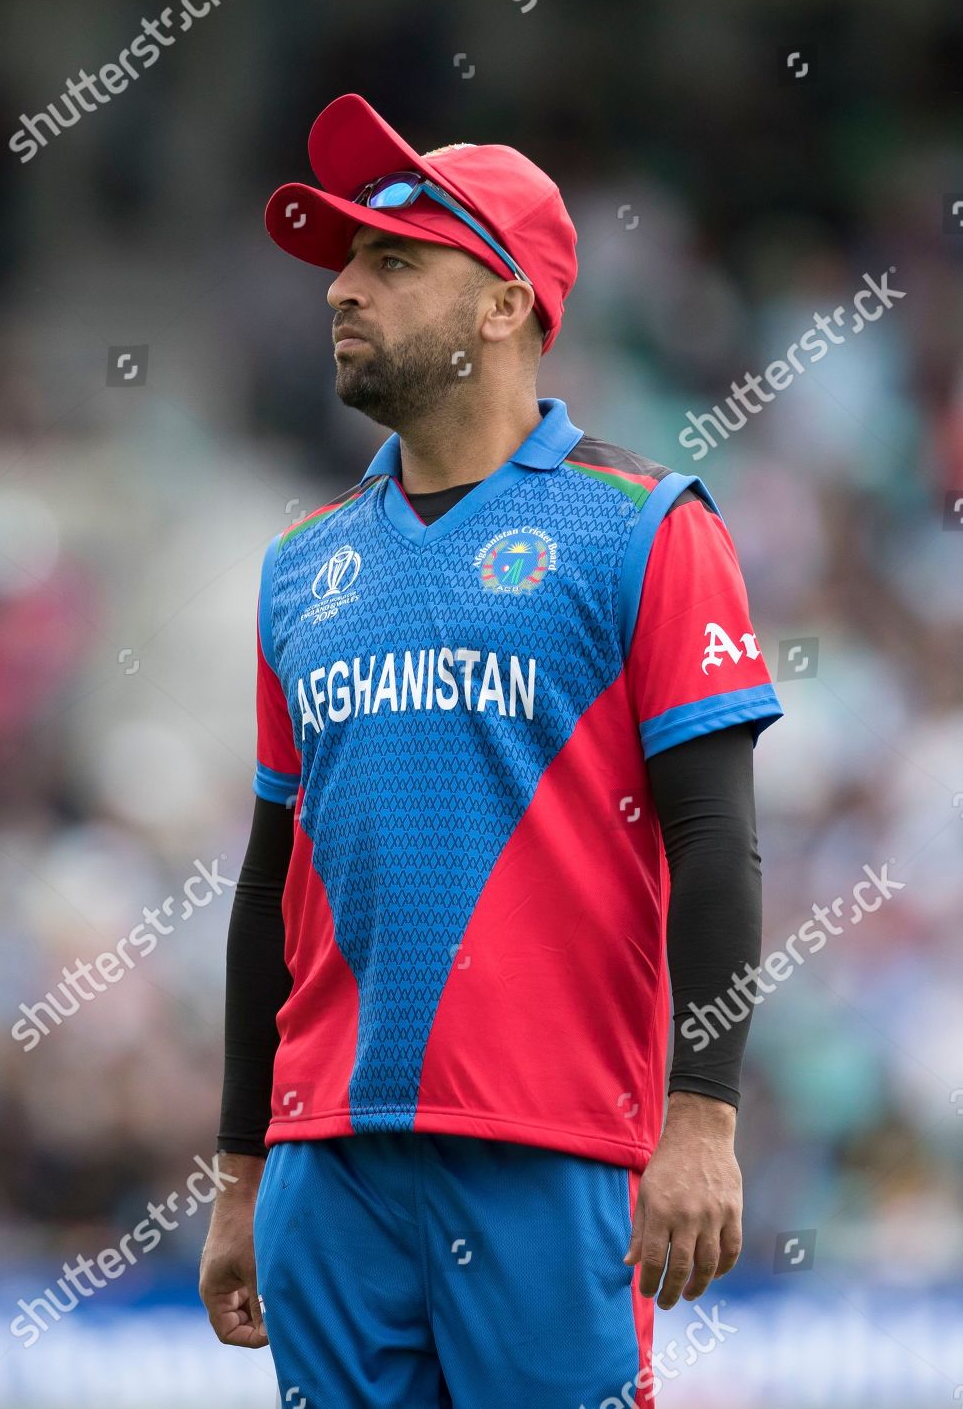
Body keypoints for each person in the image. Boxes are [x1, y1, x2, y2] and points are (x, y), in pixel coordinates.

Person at [198, 92, 783, 1409]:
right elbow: (263, 888)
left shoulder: (643, 527)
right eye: (344, 263)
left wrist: (703, 1114)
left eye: (391, 263)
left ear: (504, 305)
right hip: (328, 1168)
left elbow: (715, 841)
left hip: (552, 1152)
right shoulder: (302, 567)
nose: (342, 290)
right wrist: (241, 1170)